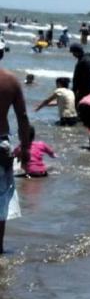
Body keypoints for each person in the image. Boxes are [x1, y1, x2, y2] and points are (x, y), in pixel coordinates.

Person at [0, 49, 31, 254]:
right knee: (0, 200)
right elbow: (22, 117)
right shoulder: (10, 80)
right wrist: (26, 148)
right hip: (0, 145)